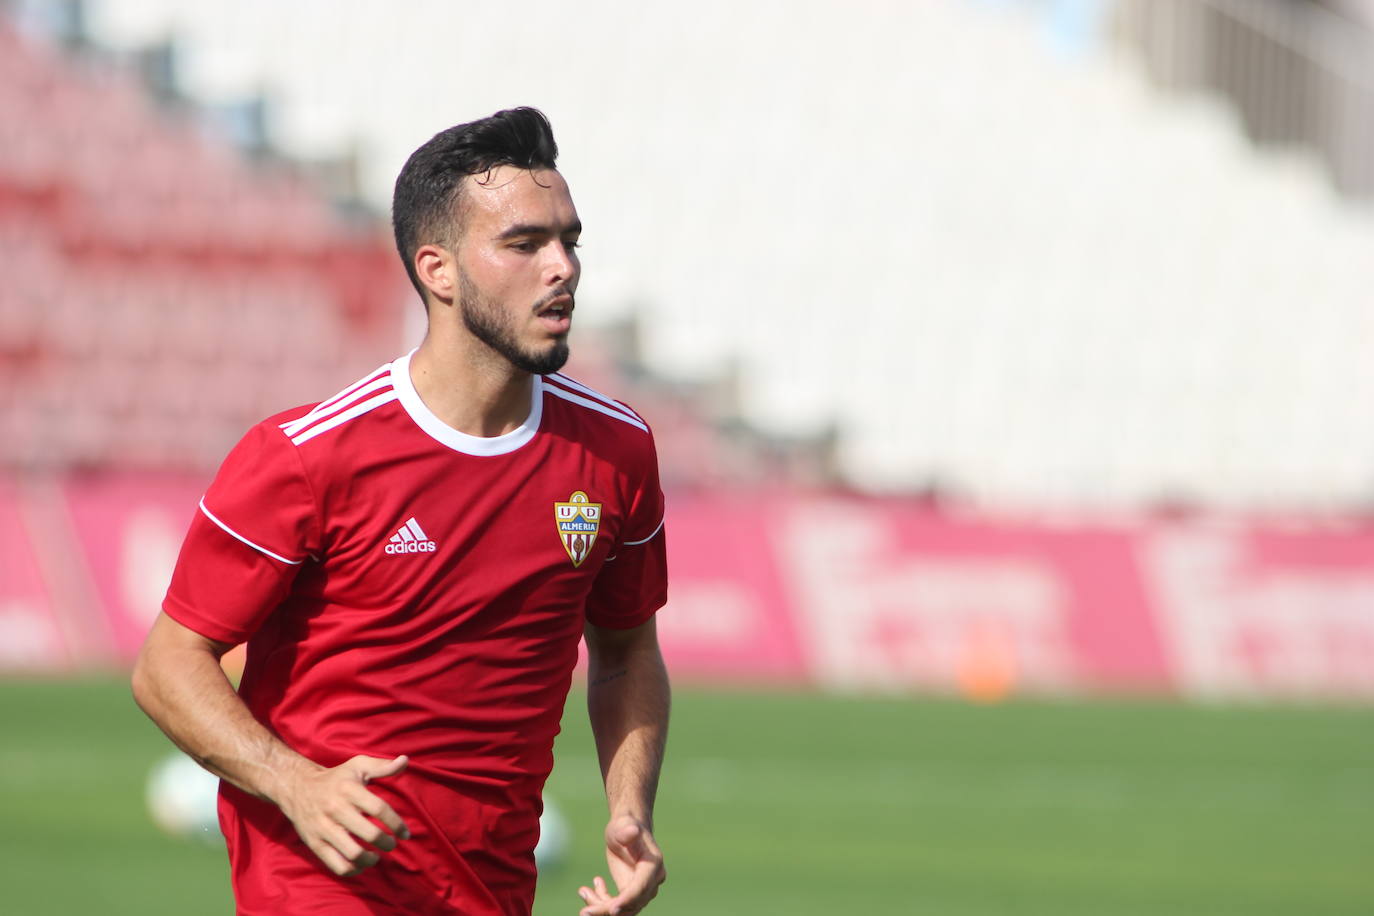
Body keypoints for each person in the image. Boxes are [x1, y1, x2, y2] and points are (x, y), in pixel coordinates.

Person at [132, 107, 670, 916]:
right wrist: (295, 784)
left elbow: (627, 654)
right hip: (317, 883)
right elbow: (167, 666)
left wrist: (630, 811)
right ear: (438, 270)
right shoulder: (309, 456)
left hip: (492, 885)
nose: (561, 267)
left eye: (569, 240)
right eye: (524, 245)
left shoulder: (615, 450)